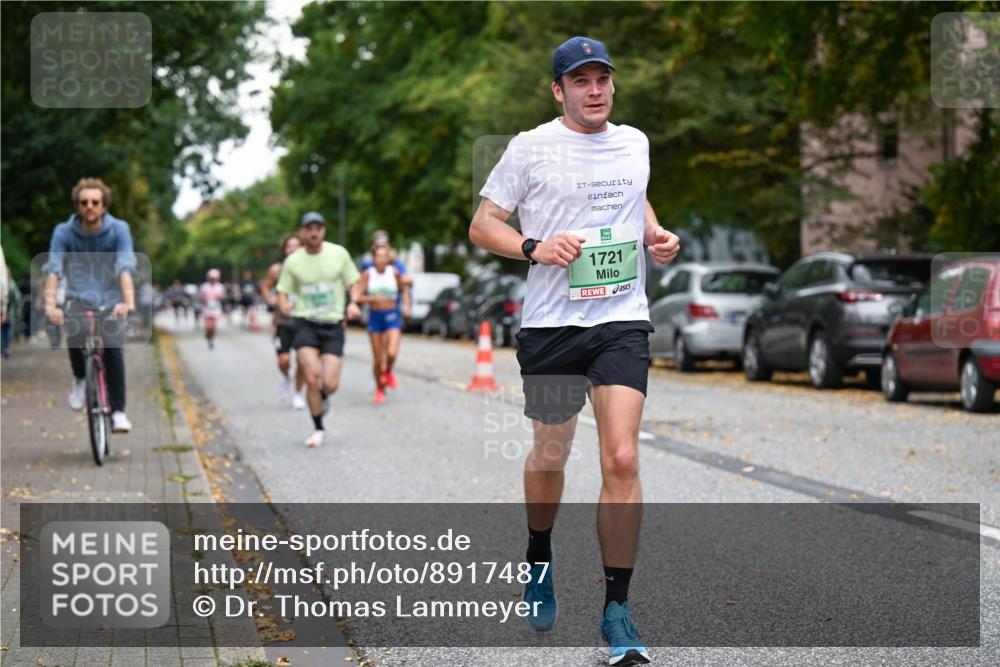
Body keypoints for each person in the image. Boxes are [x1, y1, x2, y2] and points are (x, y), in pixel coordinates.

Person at [469, 36, 680, 666]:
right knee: (551, 454)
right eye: (580, 81)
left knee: (621, 457)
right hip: (553, 328)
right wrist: (534, 247)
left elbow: (634, 197)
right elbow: (483, 225)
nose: (595, 90)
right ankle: (539, 553)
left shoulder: (635, 142)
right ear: (558, 90)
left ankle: (618, 610)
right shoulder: (530, 147)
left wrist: (654, 232)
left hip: (620, 319)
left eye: (602, 79)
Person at [42, 177, 137, 434]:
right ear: (77, 206)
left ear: (104, 205)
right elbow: (54, 269)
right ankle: (81, 378)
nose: (90, 207)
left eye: (95, 202)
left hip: (111, 300)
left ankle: (118, 412)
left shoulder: (119, 230)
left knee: (113, 350)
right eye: (84, 202)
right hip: (78, 297)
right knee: (74, 332)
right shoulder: (63, 232)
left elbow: (125, 265)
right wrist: (51, 306)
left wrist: (128, 302)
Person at [276, 212, 362, 448]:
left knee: (330, 384)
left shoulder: (338, 254)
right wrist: (283, 304)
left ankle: (323, 397)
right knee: (312, 378)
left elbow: (353, 281)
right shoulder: (293, 261)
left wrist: (353, 303)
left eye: (318, 228)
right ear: (302, 232)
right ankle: (318, 428)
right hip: (305, 323)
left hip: (333, 324)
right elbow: (282, 291)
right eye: (309, 228)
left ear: (323, 231)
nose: (314, 232)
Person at [357, 244, 411, 403]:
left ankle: (387, 371)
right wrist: (372, 298)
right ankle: (379, 388)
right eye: (378, 256)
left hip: (392, 315)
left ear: (388, 258)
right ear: (373, 258)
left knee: (392, 353)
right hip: (375, 317)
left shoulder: (394, 272)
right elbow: (358, 296)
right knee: (378, 359)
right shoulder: (368, 274)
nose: (381, 259)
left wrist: (406, 305)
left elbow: (404, 290)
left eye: (384, 256)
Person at [259, 232, 306, 409]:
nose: (292, 249)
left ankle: (298, 393)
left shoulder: (308, 268)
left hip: (302, 321)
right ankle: (287, 377)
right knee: (284, 360)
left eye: (296, 246)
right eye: (289, 246)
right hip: (283, 322)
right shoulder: (277, 270)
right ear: (284, 250)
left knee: (302, 361)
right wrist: (273, 300)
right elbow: (264, 286)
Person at [198, 269, 226, 349]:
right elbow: (200, 296)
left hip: (216, 307)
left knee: (213, 326)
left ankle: (211, 339)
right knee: (208, 326)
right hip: (207, 307)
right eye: (211, 278)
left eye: (214, 278)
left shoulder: (220, 287)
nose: (213, 280)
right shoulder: (204, 286)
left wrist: (219, 297)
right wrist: (204, 299)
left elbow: (223, 297)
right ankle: (208, 333)